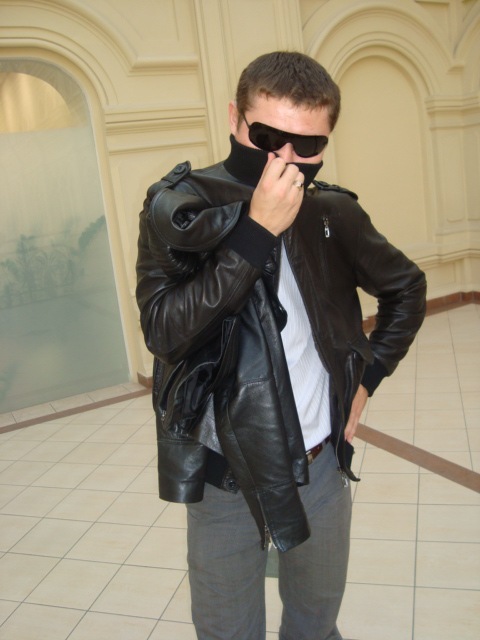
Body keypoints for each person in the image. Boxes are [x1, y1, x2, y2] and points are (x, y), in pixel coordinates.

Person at [136, 51, 426, 640]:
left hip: (319, 468)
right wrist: (255, 232)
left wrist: (366, 382)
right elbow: (165, 331)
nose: (284, 160)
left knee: (315, 624)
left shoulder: (331, 212)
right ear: (234, 119)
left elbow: (407, 288)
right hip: (223, 475)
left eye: (307, 145)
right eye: (267, 138)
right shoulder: (181, 209)